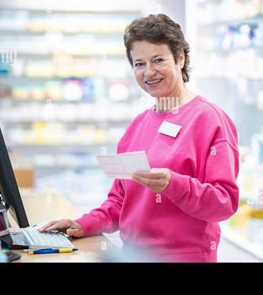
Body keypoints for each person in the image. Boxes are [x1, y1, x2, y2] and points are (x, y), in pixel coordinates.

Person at [40, 14, 239, 262]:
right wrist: (84, 224)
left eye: (158, 60)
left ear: (180, 58)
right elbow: (119, 201)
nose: (149, 72)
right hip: (133, 256)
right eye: (139, 64)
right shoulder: (137, 126)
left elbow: (224, 203)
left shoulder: (209, 119)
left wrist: (172, 184)